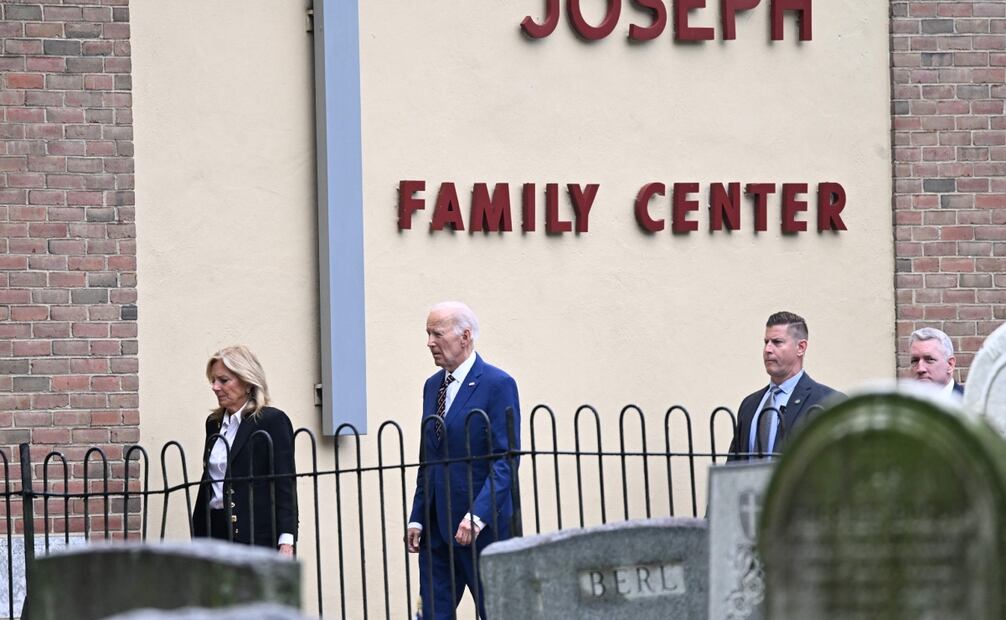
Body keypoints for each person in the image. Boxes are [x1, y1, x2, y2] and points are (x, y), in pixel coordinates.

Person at [406, 301, 520, 620]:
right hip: (436, 529)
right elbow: (428, 459)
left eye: (437, 334)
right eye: (428, 333)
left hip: (481, 530)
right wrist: (417, 517)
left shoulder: (498, 384)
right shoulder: (432, 386)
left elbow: (505, 459)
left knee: (496, 611)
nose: (429, 342)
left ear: (465, 336)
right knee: (431, 614)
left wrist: (478, 515)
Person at [192, 345, 297, 555]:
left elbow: (284, 483)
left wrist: (286, 541)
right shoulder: (213, 424)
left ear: (247, 382)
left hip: (254, 535)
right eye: (213, 380)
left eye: (223, 380)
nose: (215, 387)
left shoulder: (271, 421)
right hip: (212, 531)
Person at [728, 311, 843, 461]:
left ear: (800, 347)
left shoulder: (827, 402)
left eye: (777, 342)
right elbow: (733, 468)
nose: (768, 349)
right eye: (766, 342)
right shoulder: (749, 405)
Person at [908, 327, 964, 396]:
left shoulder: (973, 405)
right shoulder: (902, 405)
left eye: (929, 359)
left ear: (950, 364)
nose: (920, 369)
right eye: (915, 361)